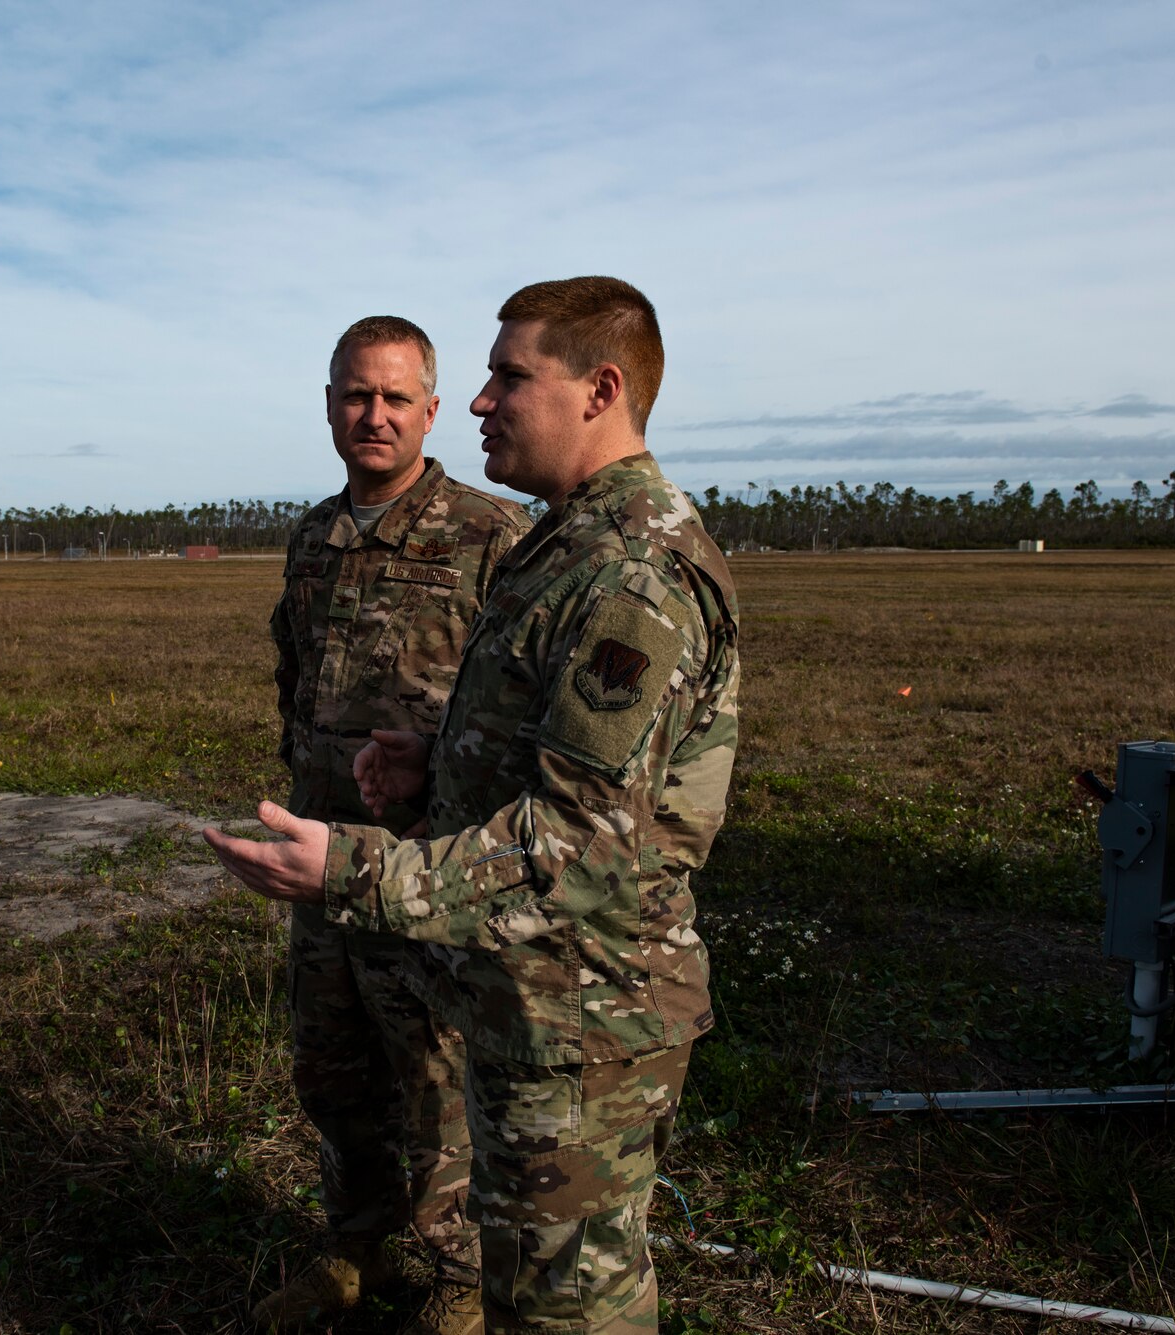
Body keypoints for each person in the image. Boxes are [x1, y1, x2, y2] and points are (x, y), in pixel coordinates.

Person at [207, 277, 740, 1334]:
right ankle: (370, 1248)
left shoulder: (624, 567)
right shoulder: (567, 545)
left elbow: (581, 846)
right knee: (526, 1283)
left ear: (598, 389)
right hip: (522, 979)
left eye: (506, 375)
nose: (485, 400)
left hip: (582, 1000)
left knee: (561, 1307)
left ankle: (441, 1272)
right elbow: (537, 752)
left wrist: (353, 867)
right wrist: (436, 761)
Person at [256, 315, 529, 1335]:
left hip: (429, 869)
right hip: (320, 860)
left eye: (392, 398)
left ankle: (460, 1272)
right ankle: (350, 1245)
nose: (371, 415)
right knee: (331, 1068)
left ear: (428, 406)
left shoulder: (491, 534)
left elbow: (520, 707)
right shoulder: (312, 540)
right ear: (330, 403)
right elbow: (293, 680)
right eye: (352, 395)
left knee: (436, 1082)